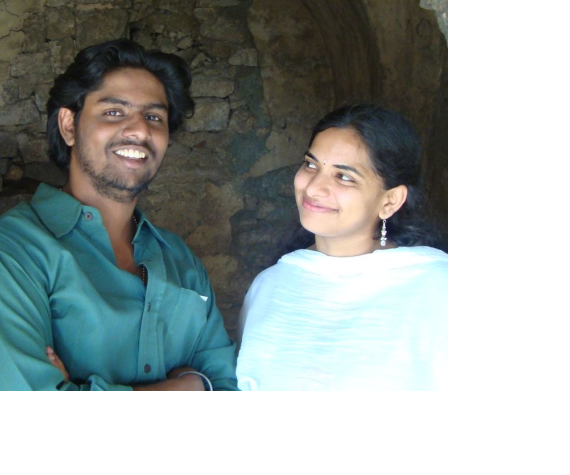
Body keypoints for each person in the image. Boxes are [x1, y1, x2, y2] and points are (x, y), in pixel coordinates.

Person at [0, 39, 238, 391]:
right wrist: (191, 387)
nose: (140, 130)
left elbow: (229, 392)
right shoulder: (15, 251)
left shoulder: (182, 261)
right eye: (114, 112)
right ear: (69, 125)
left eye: (154, 117)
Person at [236, 104, 447, 390]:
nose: (313, 188)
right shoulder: (269, 286)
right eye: (311, 165)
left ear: (390, 201)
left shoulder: (438, 287)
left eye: (344, 176)